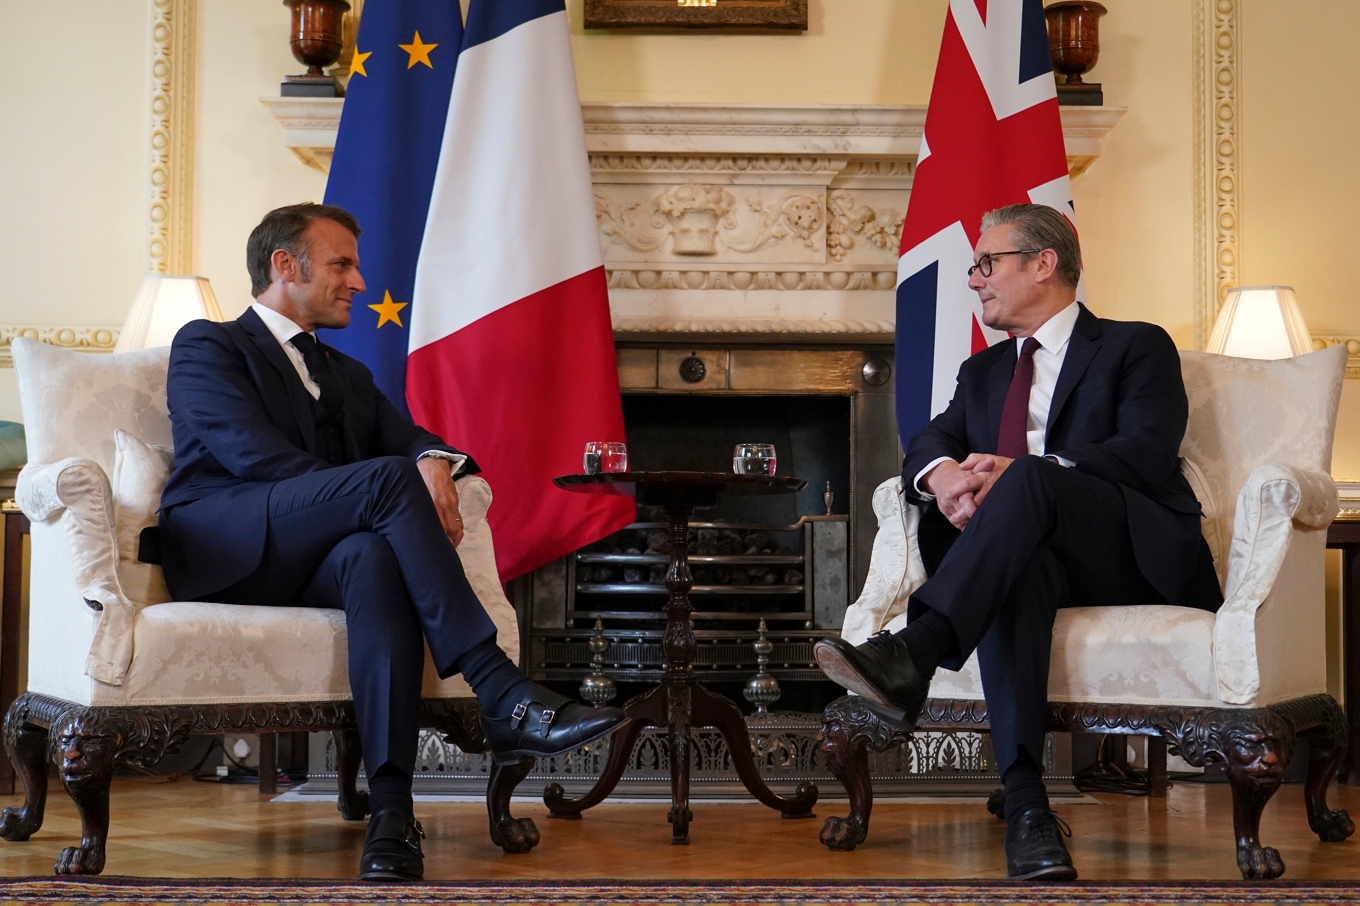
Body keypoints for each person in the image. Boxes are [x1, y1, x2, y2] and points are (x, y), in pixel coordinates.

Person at [156, 203, 628, 882]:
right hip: (226, 548)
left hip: (313, 559)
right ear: (284, 267)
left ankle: (391, 813)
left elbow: (409, 441)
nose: (359, 280)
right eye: (341, 264)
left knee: (374, 556)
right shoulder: (208, 344)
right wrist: (380, 490)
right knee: (382, 486)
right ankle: (501, 689)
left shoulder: (347, 375)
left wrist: (431, 457)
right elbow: (253, 459)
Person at [814, 203, 1221, 881]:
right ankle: (1029, 808)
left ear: (1044, 263)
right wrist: (943, 476)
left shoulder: (1133, 345)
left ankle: (916, 649)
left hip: (1123, 550)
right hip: (1023, 556)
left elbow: (1145, 452)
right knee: (1016, 570)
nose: (974, 280)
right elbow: (932, 440)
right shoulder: (983, 372)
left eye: (986, 263)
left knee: (1028, 477)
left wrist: (1029, 474)